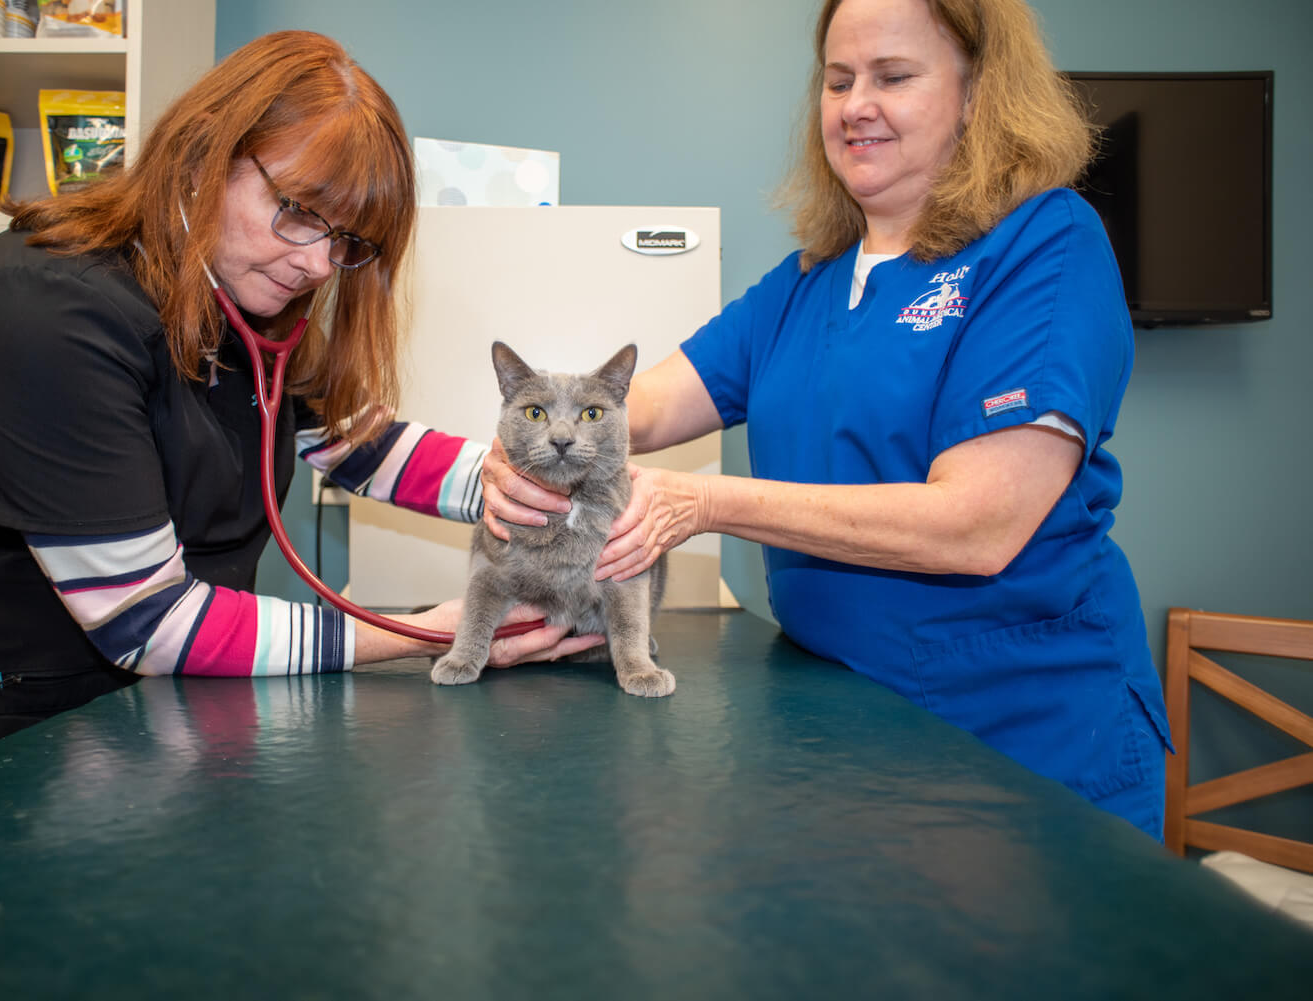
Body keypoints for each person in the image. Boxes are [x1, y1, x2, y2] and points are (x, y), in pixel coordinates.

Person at [0, 31, 599, 806]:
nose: (317, 265)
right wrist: (437, 629)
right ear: (205, 153)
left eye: (349, 242)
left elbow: (357, 441)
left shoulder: (240, 294)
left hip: (129, 737)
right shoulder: (43, 310)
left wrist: (526, 482)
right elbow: (151, 620)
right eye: (298, 213)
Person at [483, 0, 1172, 838]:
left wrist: (704, 503)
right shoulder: (807, 282)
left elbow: (979, 523)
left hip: (1020, 743)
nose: (855, 105)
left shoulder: (1044, 243)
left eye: (894, 76)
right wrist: (527, 439)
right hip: (837, 726)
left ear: (978, 92)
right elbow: (650, 401)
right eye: (839, 80)